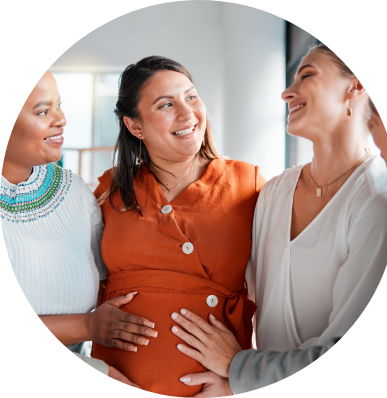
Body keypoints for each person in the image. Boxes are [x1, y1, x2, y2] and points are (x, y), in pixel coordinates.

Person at [169, 44, 387, 396]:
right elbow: (233, 285)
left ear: (355, 87)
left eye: (306, 76)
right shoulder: (273, 192)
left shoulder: (380, 203)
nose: (286, 92)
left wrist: (237, 372)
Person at [90, 56, 265, 397]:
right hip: (118, 371)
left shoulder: (249, 184)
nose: (188, 115)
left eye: (191, 97)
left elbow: (278, 291)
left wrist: (238, 379)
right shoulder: (108, 192)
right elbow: (79, 284)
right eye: (166, 104)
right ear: (135, 126)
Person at [1, 70, 160, 388]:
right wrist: (88, 326)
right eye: (43, 111)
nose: (60, 119)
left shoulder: (72, 190)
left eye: (58, 106)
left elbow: (109, 280)